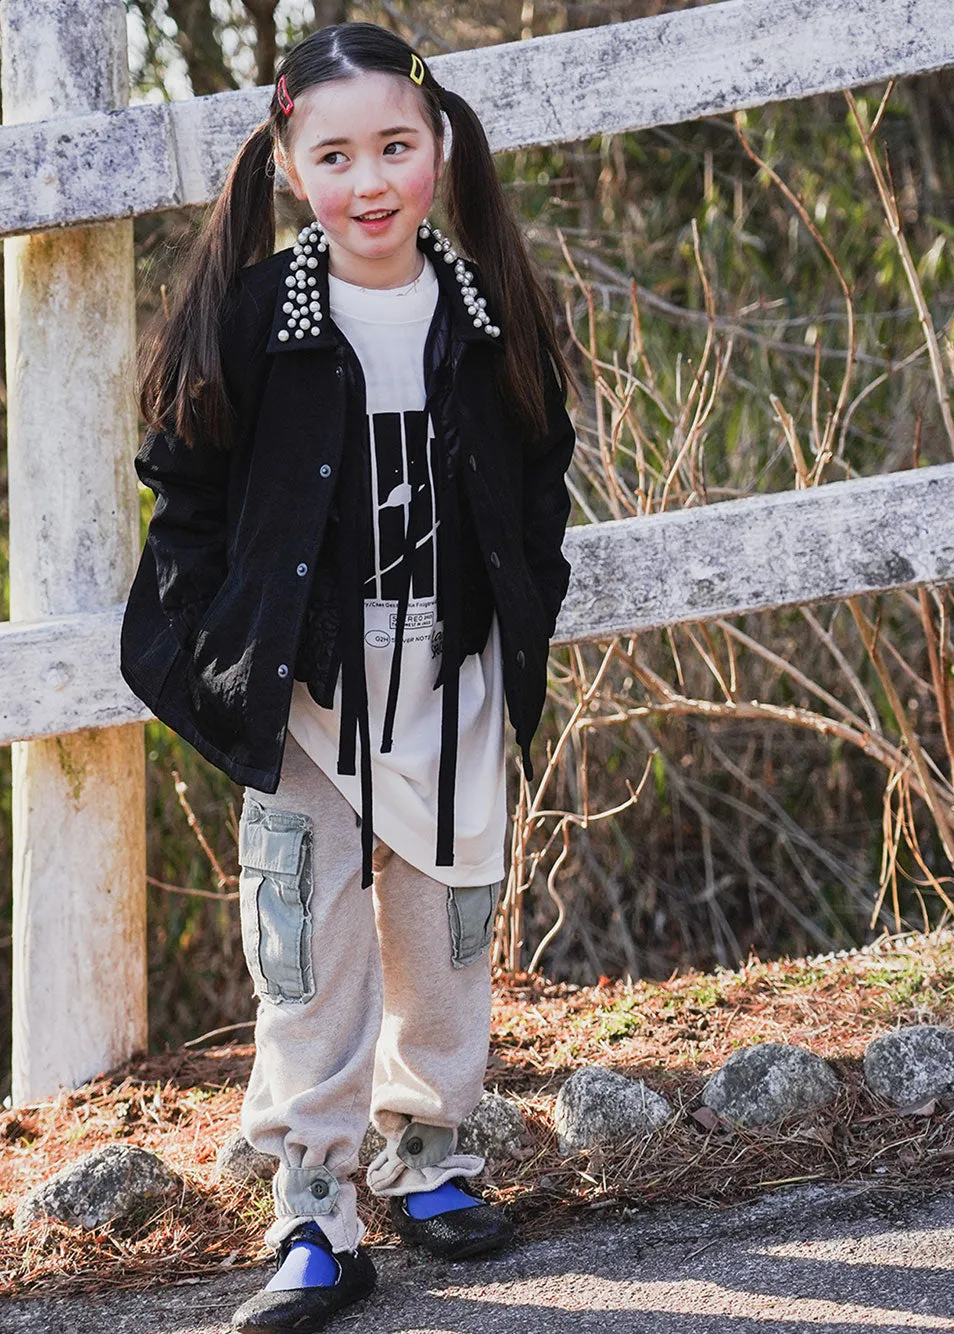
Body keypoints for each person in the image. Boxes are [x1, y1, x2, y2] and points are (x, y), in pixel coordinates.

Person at [120, 19, 578, 1334]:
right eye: (335, 153)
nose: (369, 178)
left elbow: (543, 456)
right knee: (305, 947)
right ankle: (314, 1210)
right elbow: (185, 488)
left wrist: (524, 596)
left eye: (394, 144)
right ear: (287, 160)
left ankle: (428, 1150)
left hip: (452, 665)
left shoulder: (485, 304)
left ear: (438, 144)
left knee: (444, 928)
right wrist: (223, 654)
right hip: (305, 688)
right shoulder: (260, 314)